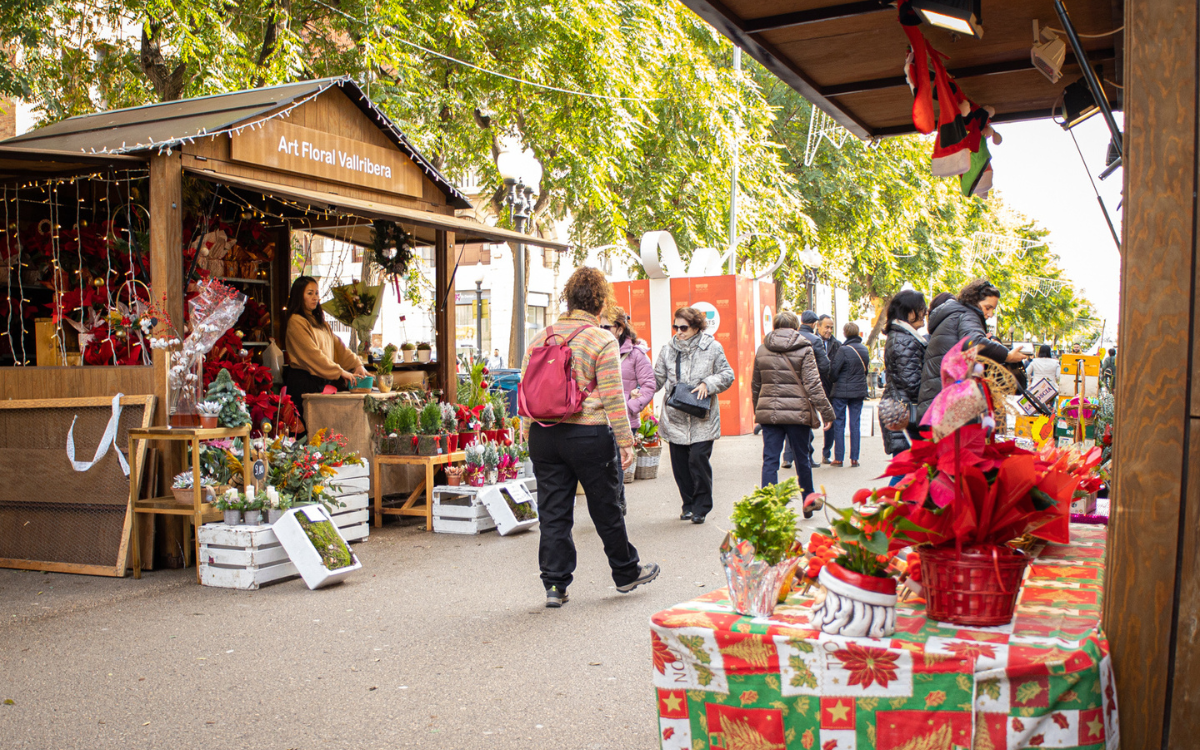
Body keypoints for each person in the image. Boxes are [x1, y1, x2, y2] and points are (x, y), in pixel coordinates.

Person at [521, 267, 659, 608]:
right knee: (605, 505)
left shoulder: (541, 337)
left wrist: (528, 434)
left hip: (545, 434)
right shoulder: (601, 338)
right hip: (588, 434)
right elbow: (613, 396)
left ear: (568, 300)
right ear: (600, 303)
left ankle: (555, 584)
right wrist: (626, 441)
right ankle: (625, 572)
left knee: (553, 511)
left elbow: (526, 391)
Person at [654, 306, 735, 524]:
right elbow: (658, 378)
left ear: (697, 327)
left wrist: (708, 384)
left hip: (702, 417)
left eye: (684, 327)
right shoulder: (668, 349)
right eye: (676, 326)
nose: (678, 331)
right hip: (675, 416)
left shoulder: (712, 347)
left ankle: (701, 507)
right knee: (680, 466)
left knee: (698, 461)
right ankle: (688, 504)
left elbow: (727, 374)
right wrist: (639, 392)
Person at [752, 311, 835, 507]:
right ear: (796, 327)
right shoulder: (804, 348)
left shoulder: (763, 349)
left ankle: (770, 506)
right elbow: (813, 384)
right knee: (802, 458)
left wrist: (759, 408)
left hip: (770, 414)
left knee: (770, 459)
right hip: (797, 413)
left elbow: (756, 384)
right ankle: (808, 500)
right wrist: (826, 412)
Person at [918, 278, 1028, 421]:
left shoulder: (955, 314)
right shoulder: (968, 315)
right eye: (987, 308)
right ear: (974, 300)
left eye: (993, 309)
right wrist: (1007, 356)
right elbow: (975, 342)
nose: (990, 314)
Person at [283, 276, 369, 408]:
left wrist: (357, 364)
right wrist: (340, 371)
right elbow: (313, 354)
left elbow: (339, 346)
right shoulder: (296, 321)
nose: (315, 297)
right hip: (305, 382)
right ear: (299, 296)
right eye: (310, 293)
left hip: (322, 380)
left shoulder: (321, 323)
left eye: (316, 293)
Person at [607, 307, 655, 516]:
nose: (600, 330)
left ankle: (616, 507)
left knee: (615, 465)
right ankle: (615, 502)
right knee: (605, 466)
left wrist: (629, 406)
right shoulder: (599, 350)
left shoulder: (635, 354)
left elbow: (649, 385)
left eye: (605, 327)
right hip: (599, 419)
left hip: (624, 420)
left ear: (619, 328)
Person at [880, 290, 927, 454]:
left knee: (905, 468)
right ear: (910, 312)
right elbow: (912, 382)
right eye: (922, 308)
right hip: (906, 410)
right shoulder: (904, 339)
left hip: (901, 408)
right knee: (905, 469)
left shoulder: (901, 336)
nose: (925, 313)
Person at [829, 322, 869, 467]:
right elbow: (866, 371)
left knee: (839, 423)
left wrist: (832, 380)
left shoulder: (843, 349)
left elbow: (834, 371)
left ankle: (839, 458)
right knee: (855, 423)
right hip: (858, 391)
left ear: (845, 333)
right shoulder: (864, 349)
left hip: (841, 392)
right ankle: (854, 458)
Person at [796, 311, 832, 469]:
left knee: (793, 420)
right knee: (807, 421)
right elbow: (824, 365)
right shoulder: (815, 340)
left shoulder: (793, 336)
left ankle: (788, 457)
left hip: (792, 385)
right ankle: (807, 456)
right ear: (813, 324)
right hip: (809, 385)